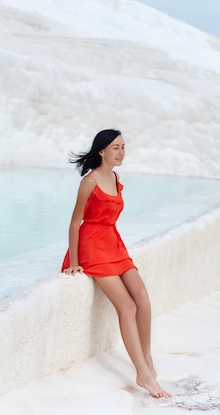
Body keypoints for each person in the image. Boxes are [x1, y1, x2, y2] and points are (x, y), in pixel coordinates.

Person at [62, 129, 171, 398]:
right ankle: (142, 373)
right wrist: (75, 261)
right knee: (127, 305)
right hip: (93, 248)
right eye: (115, 148)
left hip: (114, 243)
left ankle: (147, 360)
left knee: (142, 297)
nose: (121, 152)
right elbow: (76, 222)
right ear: (101, 151)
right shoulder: (90, 182)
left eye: (123, 147)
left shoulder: (115, 177)